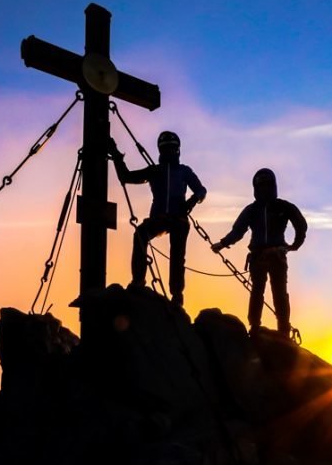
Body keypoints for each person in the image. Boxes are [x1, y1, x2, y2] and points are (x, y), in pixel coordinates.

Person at [108, 131, 207, 308]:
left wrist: (191, 201)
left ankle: (176, 294)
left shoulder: (182, 171)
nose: (169, 152)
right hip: (163, 218)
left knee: (176, 255)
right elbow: (126, 177)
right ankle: (140, 282)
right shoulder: (156, 171)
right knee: (142, 236)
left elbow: (201, 191)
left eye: (171, 149)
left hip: (177, 219)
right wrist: (115, 155)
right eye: (166, 149)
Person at [211, 168, 307, 336]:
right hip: (265, 256)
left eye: (266, 185)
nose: (264, 189)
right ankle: (268, 328)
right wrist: (223, 243)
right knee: (268, 292)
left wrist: (294, 245)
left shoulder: (266, 208)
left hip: (269, 255)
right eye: (261, 186)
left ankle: (268, 328)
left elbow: (301, 225)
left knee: (267, 292)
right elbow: (238, 231)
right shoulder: (271, 208)